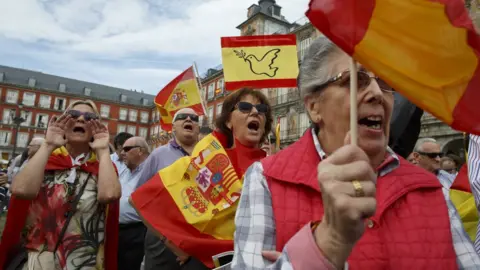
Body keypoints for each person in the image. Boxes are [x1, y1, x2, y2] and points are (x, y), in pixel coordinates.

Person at [231, 36, 480, 269]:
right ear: (314, 106)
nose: (376, 94)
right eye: (353, 80)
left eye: (383, 83)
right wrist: (327, 243)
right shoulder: (265, 178)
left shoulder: (431, 189)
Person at [132, 88, 272, 269]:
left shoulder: (271, 166)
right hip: (199, 263)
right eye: (245, 107)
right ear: (229, 121)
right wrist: (175, 246)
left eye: (261, 110)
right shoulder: (205, 157)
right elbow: (143, 199)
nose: (255, 112)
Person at [0, 100, 121, 270]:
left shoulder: (103, 166)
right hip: (40, 261)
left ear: (95, 127)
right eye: (73, 115)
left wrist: (102, 150)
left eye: (89, 117)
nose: (80, 120)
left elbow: (110, 195)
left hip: (84, 261)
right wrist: (48, 145)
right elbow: (20, 190)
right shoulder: (46, 159)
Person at [136, 107, 201, 270]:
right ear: (173, 127)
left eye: (194, 118)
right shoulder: (158, 155)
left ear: (198, 128)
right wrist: (165, 238)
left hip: (198, 240)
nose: (189, 120)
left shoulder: (207, 156)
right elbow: (138, 200)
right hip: (162, 241)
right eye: (182, 117)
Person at [118, 137, 150, 270]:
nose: (122, 153)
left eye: (126, 149)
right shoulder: (123, 171)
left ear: (140, 151)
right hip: (118, 230)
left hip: (138, 231)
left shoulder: (150, 171)